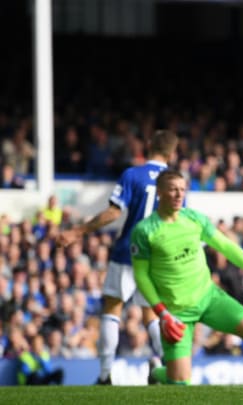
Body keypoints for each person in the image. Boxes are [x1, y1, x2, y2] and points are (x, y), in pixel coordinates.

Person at [130, 169, 243, 385]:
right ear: (160, 193)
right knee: (181, 383)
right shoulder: (145, 231)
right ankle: (156, 372)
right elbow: (141, 275)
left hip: (209, 298)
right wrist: (162, 313)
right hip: (176, 312)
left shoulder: (194, 219)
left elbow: (225, 245)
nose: (178, 194)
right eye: (173, 189)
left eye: (182, 189)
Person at [57, 129, 179, 385]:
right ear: (172, 152)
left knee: (112, 310)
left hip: (127, 252)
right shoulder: (175, 183)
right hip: (156, 258)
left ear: (148, 146)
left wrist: (78, 231)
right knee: (151, 315)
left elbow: (113, 213)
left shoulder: (133, 174)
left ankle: (104, 375)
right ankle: (166, 366)